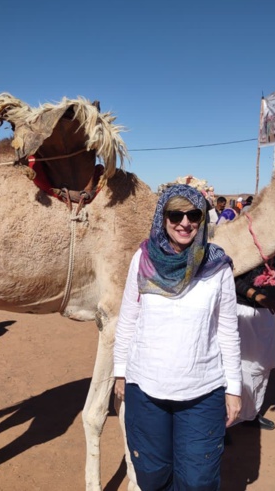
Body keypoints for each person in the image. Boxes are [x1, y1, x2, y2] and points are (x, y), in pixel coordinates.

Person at [113, 184, 241, 490]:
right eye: (176, 214)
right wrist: (120, 372)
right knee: (151, 474)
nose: (185, 223)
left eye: (193, 214)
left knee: (198, 480)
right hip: (146, 387)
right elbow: (128, 317)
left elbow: (227, 329)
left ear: (202, 219)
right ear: (163, 217)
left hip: (202, 390)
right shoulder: (142, 260)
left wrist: (234, 388)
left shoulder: (217, 266)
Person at [232, 262, 275, 431]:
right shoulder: (244, 246)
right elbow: (233, 277)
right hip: (244, 312)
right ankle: (225, 420)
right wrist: (256, 295)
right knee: (239, 367)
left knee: (263, 366)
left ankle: (251, 413)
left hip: (266, 315)